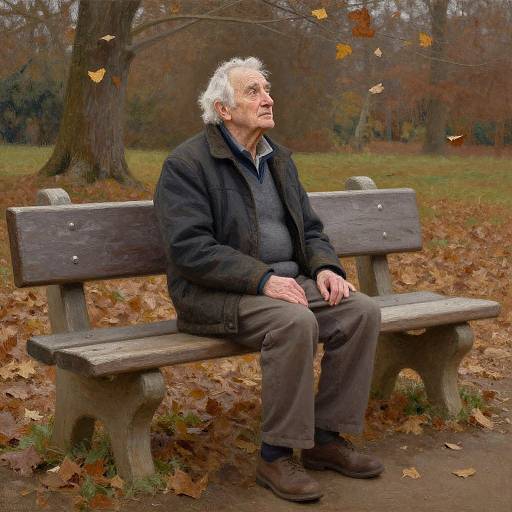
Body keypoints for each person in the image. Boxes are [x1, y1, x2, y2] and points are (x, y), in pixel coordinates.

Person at [154, 56, 384, 503]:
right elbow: (189, 249)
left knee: (360, 310)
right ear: (224, 109)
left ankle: (324, 439)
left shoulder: (279, 160)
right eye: (253, 91)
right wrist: (261, 279)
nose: (267, 98)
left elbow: (311, 230)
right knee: (293, 322)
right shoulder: (186, 165)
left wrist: (326, 269)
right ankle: (275, 456)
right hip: (213, 295)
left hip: (288, 285)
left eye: (266, 89)